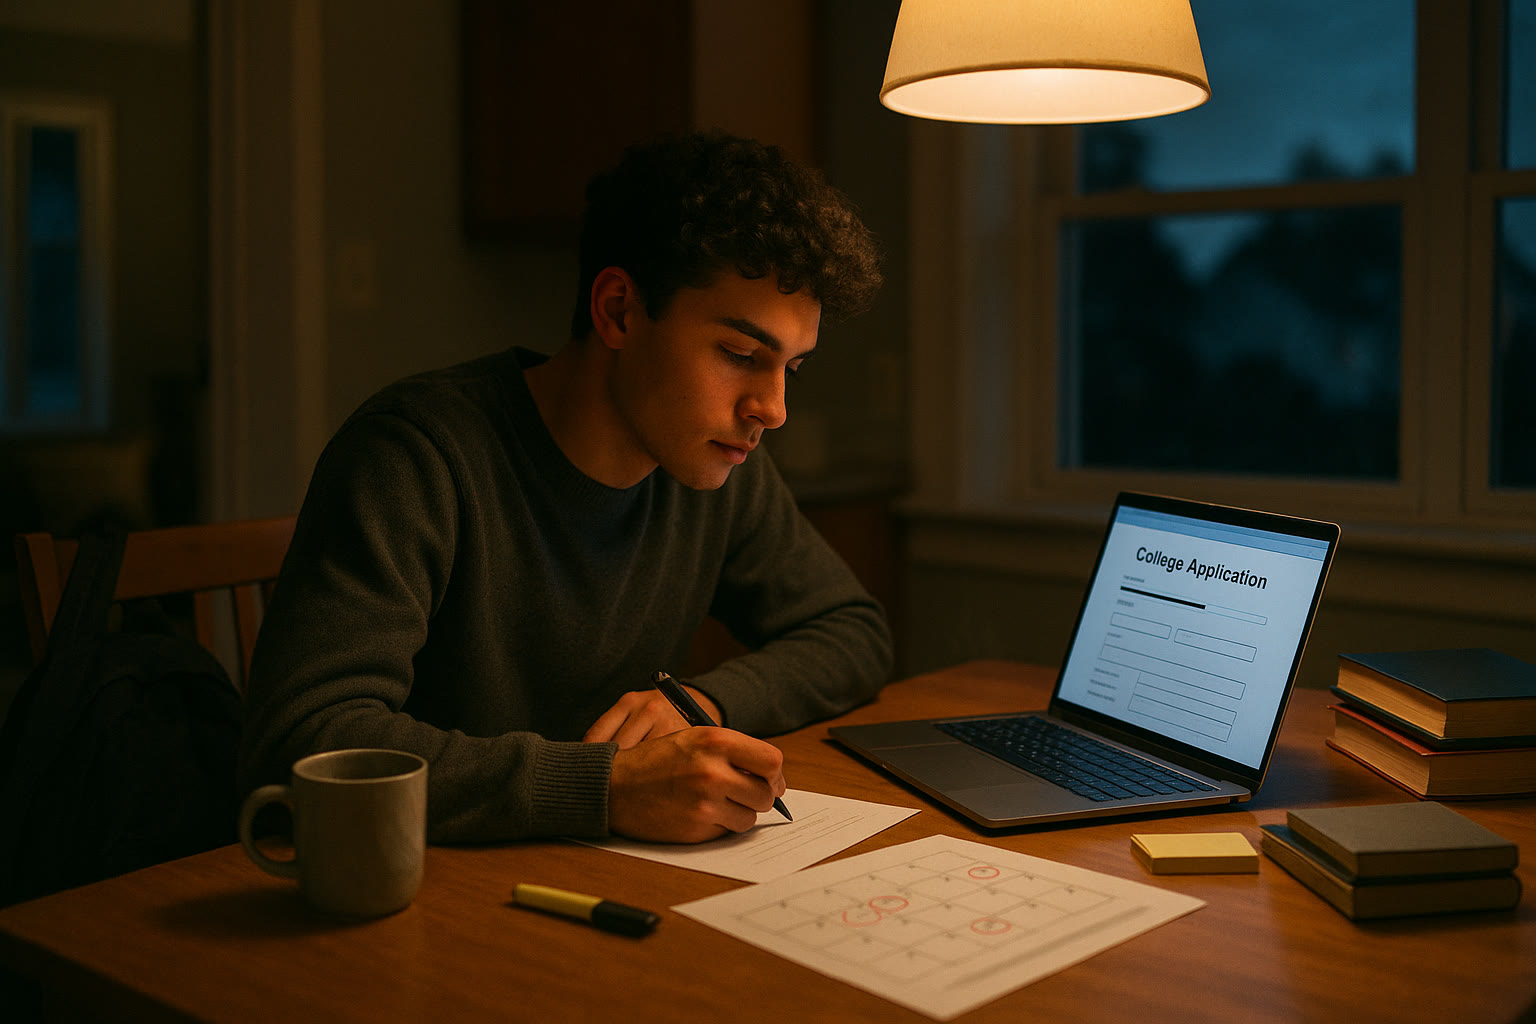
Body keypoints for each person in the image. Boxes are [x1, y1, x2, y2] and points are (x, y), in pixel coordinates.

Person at [238, 131, 892, 845]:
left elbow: (851, 631)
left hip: (579, 864)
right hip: (412, 884)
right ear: (617, 310)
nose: (772, 409)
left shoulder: (717, 468)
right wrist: (604, 787)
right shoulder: (417, 455)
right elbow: (311, 734)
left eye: (791, 368)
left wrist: (699, 702)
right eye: (740, 355)